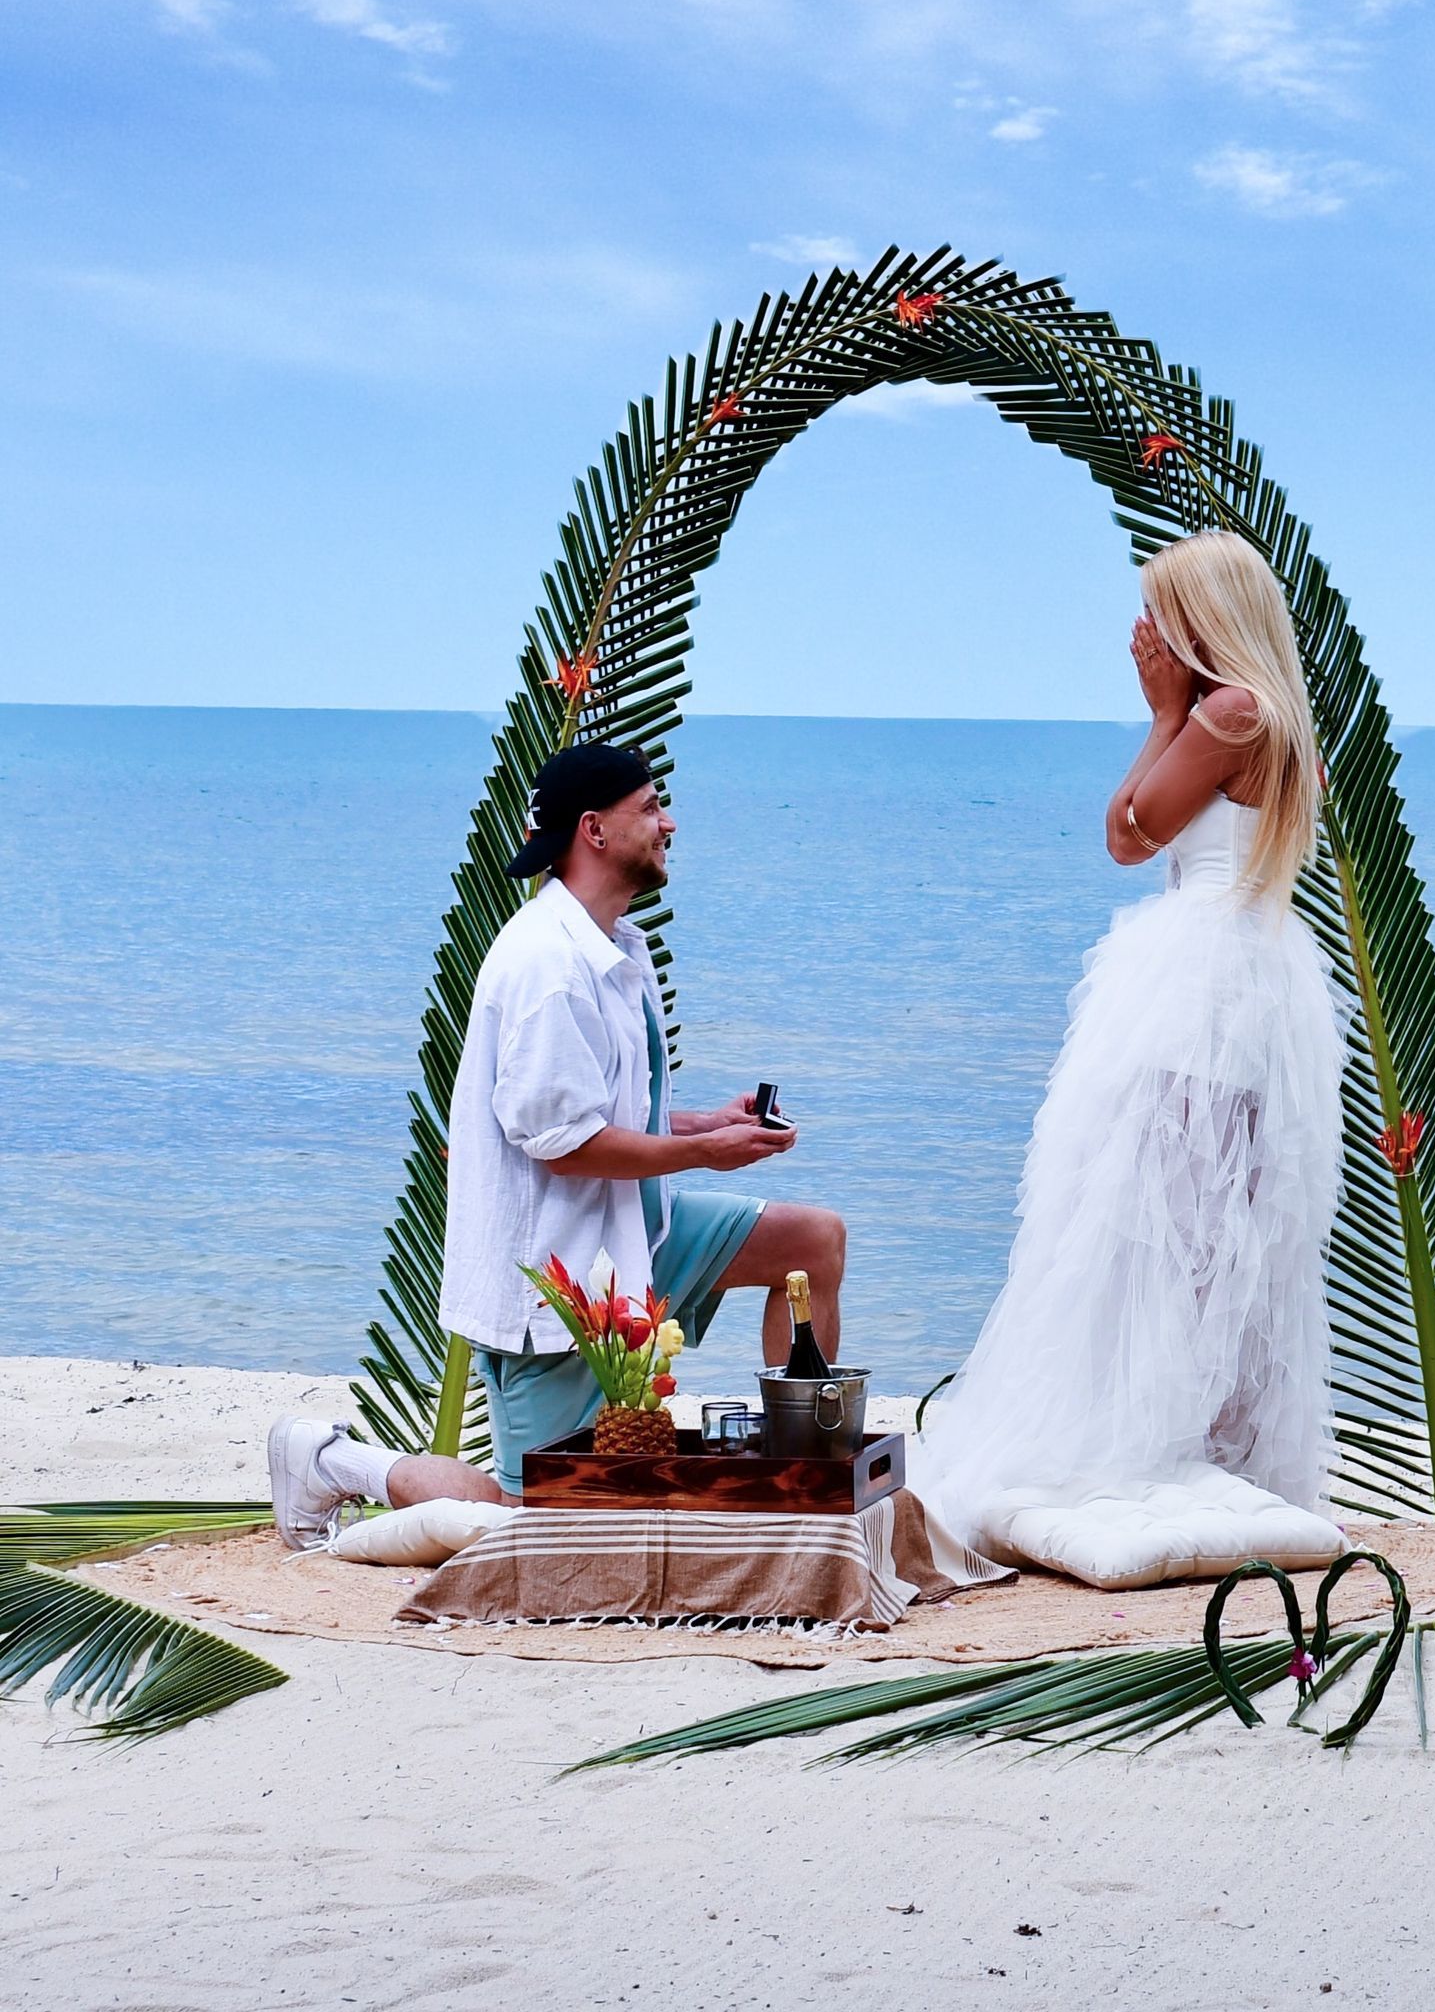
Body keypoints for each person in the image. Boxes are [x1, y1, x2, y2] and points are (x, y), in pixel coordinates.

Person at [269, 740, 846, 1545]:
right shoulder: (546, 965)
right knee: (533, 1526)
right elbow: (564, 1145)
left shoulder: (618, 946)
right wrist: (703, 1155)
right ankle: (334, 1461)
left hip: (637, 1236)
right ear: (594, 830)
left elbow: (605, 1109)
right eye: (651, 807)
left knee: (810, 1243)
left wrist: (706, 1123)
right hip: (557, 1279)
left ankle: (799, 1476)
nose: (669, 823)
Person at [915, 528, 1348, 1561]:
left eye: (1164, 612)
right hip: (1259, 974)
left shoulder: (1228, 711)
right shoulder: (1279, 717)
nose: (1148, 633)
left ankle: (1152, 1437)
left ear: (1205, 619)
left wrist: (1162, 714)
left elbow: (1127, 835)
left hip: (1199, 980)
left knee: (1158, 1212)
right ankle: (1209, 1438)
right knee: (1218, 1221)